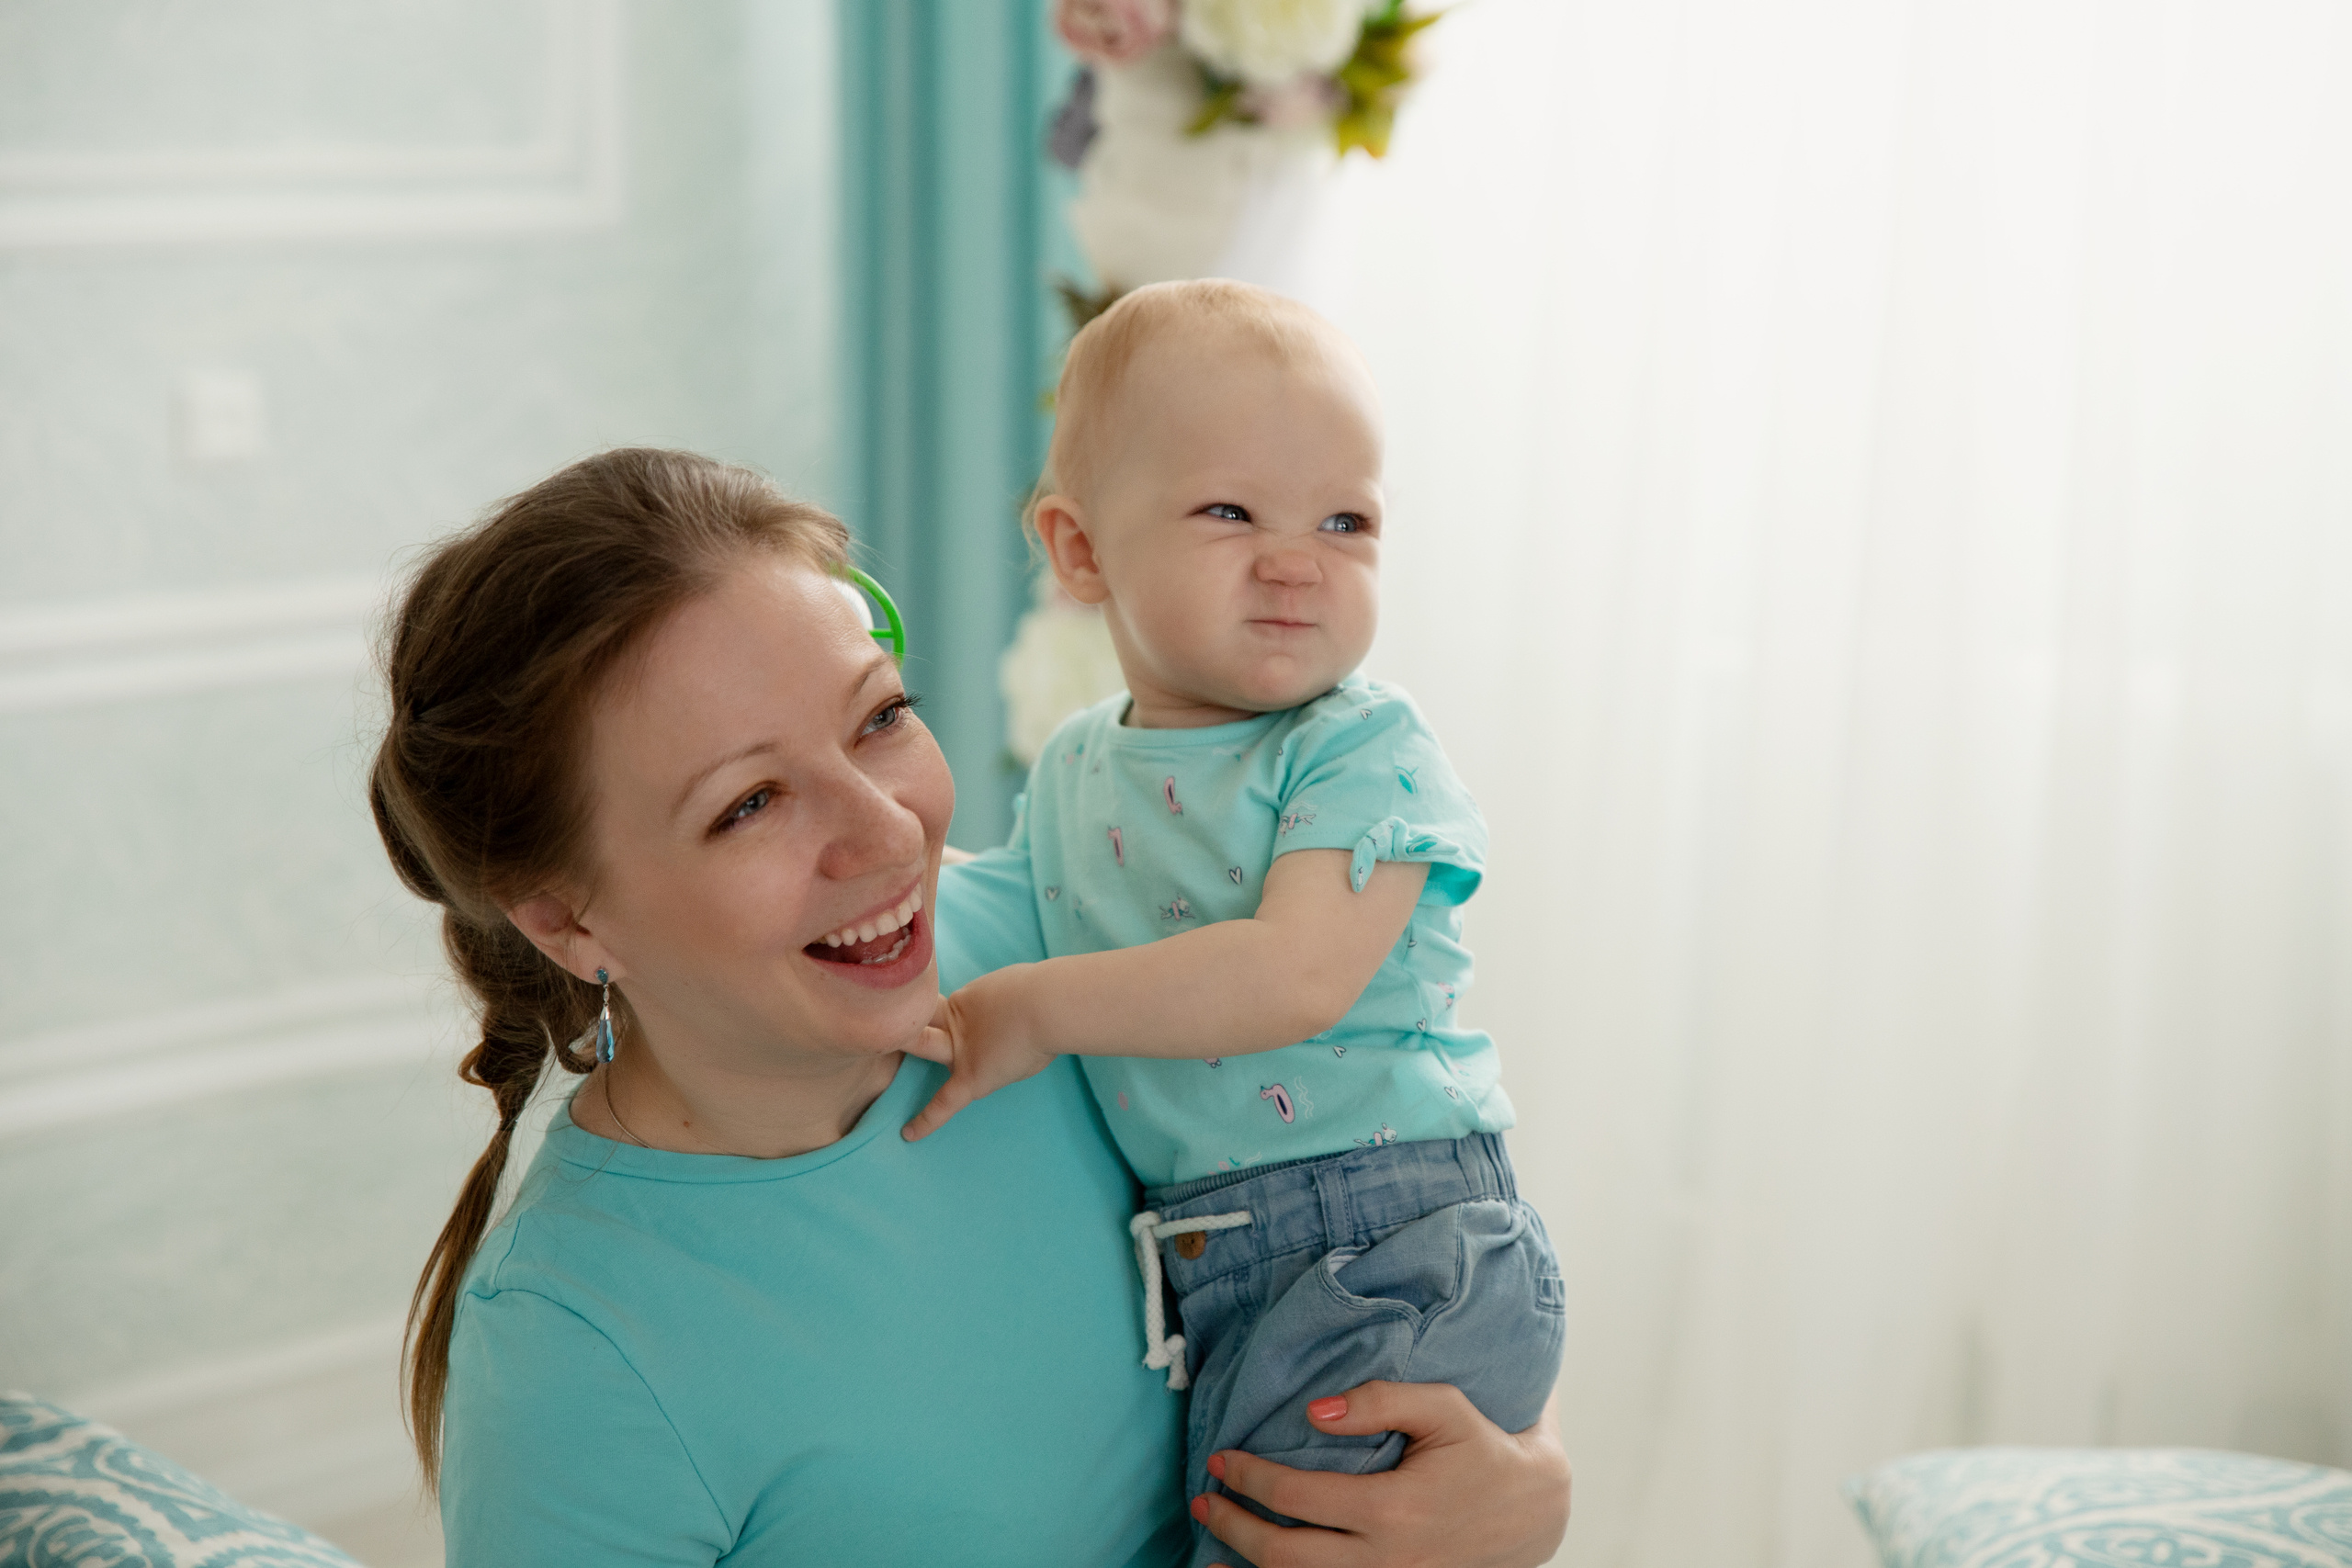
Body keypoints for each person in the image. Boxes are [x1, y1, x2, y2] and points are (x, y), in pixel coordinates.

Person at [368, 447, 1569, 1565]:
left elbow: (1389, 1198)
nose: (886, 832)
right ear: (569, 920)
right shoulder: (576, 1363)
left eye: (879, 718)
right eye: (750, 803)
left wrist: (1523, 1486)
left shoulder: (1077, 959)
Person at [897, 282, 1562, 1563]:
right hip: (1219, 1261)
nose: (1295, 558)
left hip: (1389, 1237)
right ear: (1082, 551)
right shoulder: (1081, 767)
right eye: (1228, 512)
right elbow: (993, 904)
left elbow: (1294, 977)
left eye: (1345, 520)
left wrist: (1033, 1011)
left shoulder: (1363, 746)